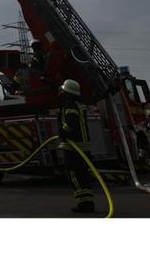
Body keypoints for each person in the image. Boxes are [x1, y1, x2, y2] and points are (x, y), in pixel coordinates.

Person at [57, 79, 96, 214]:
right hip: (82, 147)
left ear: (66, 91)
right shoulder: (80, 104)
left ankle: (84, 204)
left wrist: (63, 133)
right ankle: (87, 202)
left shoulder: (70, 105)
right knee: (83, 175)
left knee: (75, 176)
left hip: (74, 147)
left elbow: (71, 123)